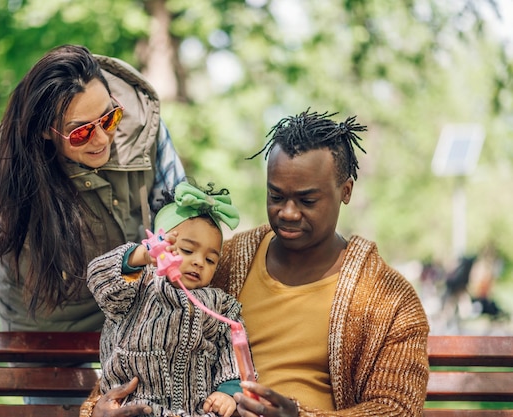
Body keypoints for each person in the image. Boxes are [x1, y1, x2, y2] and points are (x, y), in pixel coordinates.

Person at [0, 43, 185, 402]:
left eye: (109, 118)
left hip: (125, 307)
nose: (103, 138)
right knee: (57, 406)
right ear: (45, 131)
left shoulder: (142, 123)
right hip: (43, 320)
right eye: (81, 132)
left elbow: (176, 209)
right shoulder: (6, 159)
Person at [88, 109, 430, 417]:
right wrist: (97, 410)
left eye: (307, 199)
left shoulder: (390, 300)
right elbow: (140, 335)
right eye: (276, 196)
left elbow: (396, 408)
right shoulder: (221, 261)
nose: (288, 212)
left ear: (346, 190)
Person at [81, 181, 248, 417]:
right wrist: (140, 255)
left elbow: (233, 351)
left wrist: (228, 392)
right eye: (188, 250)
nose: (199, 262)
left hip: (195, 410)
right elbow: (98, 275)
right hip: (134, 407)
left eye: (211, 260)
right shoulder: (136, 287)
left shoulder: (219, 306)